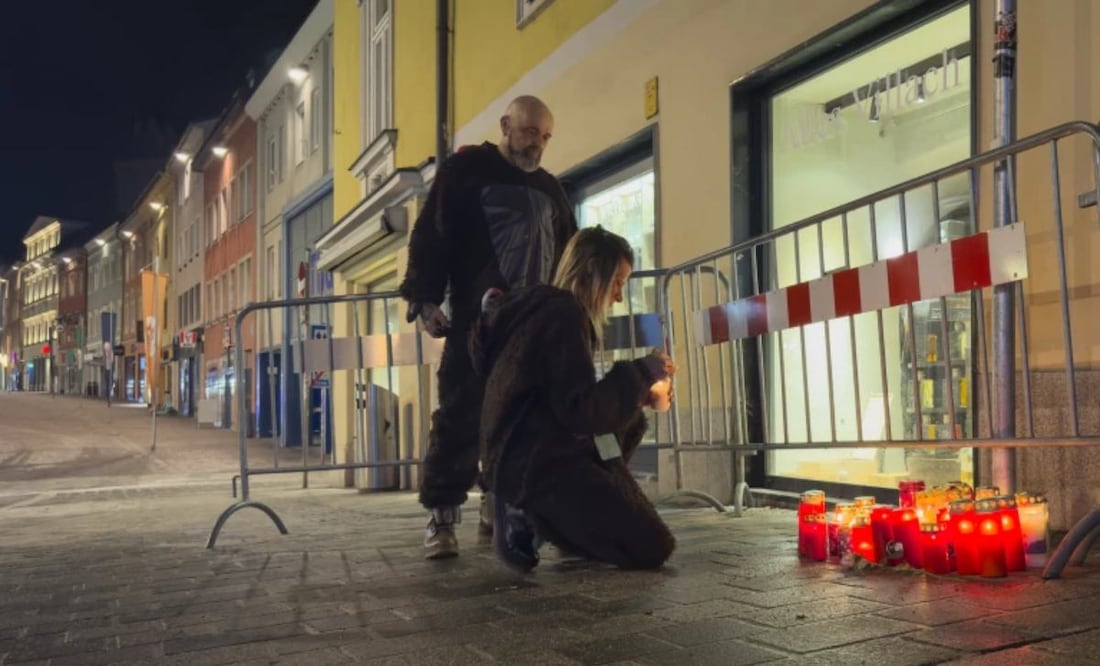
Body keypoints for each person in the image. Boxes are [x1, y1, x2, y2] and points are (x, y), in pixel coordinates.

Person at [399, 95, 578, 559]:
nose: (537, 144)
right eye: (529, 132)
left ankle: (496, 504)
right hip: (474, 325)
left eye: (545, 136)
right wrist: (424, 298)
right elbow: (432, 235)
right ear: (505, 125)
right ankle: (441, 518)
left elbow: (569, 254)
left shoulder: (551, 190)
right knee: (460, 417)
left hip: (532, 327)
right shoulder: (465, 173)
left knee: (522, 421)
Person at [471, 226, 677, 571]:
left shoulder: (548, 310)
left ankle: (562, 522)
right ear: (593, 271)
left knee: (631, 422)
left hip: (524, 450)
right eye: (617, 283)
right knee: (652, 545)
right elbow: (581, 412)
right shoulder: (564, 314)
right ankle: (526, 511)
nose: (618, 298)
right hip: (535, 463)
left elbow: (563, 398)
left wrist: (640, 392)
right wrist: (642, 372)